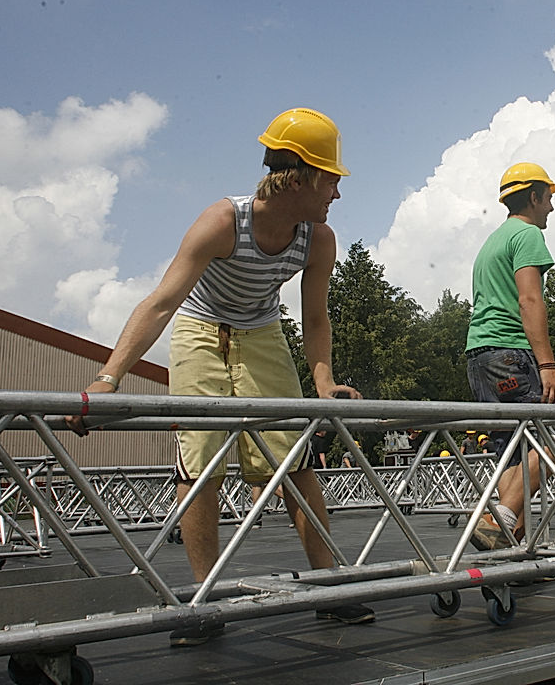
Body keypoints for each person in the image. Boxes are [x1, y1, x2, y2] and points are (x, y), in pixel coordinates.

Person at [70, 108, 374, 643]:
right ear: (298, 175)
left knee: (292, 454)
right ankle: (204, 601)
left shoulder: (318, 239)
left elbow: (316, 318)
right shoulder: (222, 221)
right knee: (202, 457)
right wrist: (109, 378)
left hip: (260, 331)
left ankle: (331, 589)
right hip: (200, 327)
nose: (337, 193)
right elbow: (163, 302)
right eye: (331, 180)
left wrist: (323, 384)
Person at [465, 162, 555, 551]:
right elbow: (529, 299)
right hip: (512, 354)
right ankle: (497, 520)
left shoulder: (492, 241)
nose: (552, 208)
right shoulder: (526, 236)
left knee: (515, 455)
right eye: (549, 198)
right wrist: (547, 365)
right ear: (534, 196)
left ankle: (509, 552)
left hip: (480, 357)